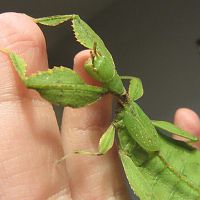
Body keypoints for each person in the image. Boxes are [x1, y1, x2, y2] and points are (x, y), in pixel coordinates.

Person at [0, 12, 199, 200]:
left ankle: (10, 50)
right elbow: (135, 80)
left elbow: (102, 150)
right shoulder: (133, 90)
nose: (92, 60)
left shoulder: (121, 91)